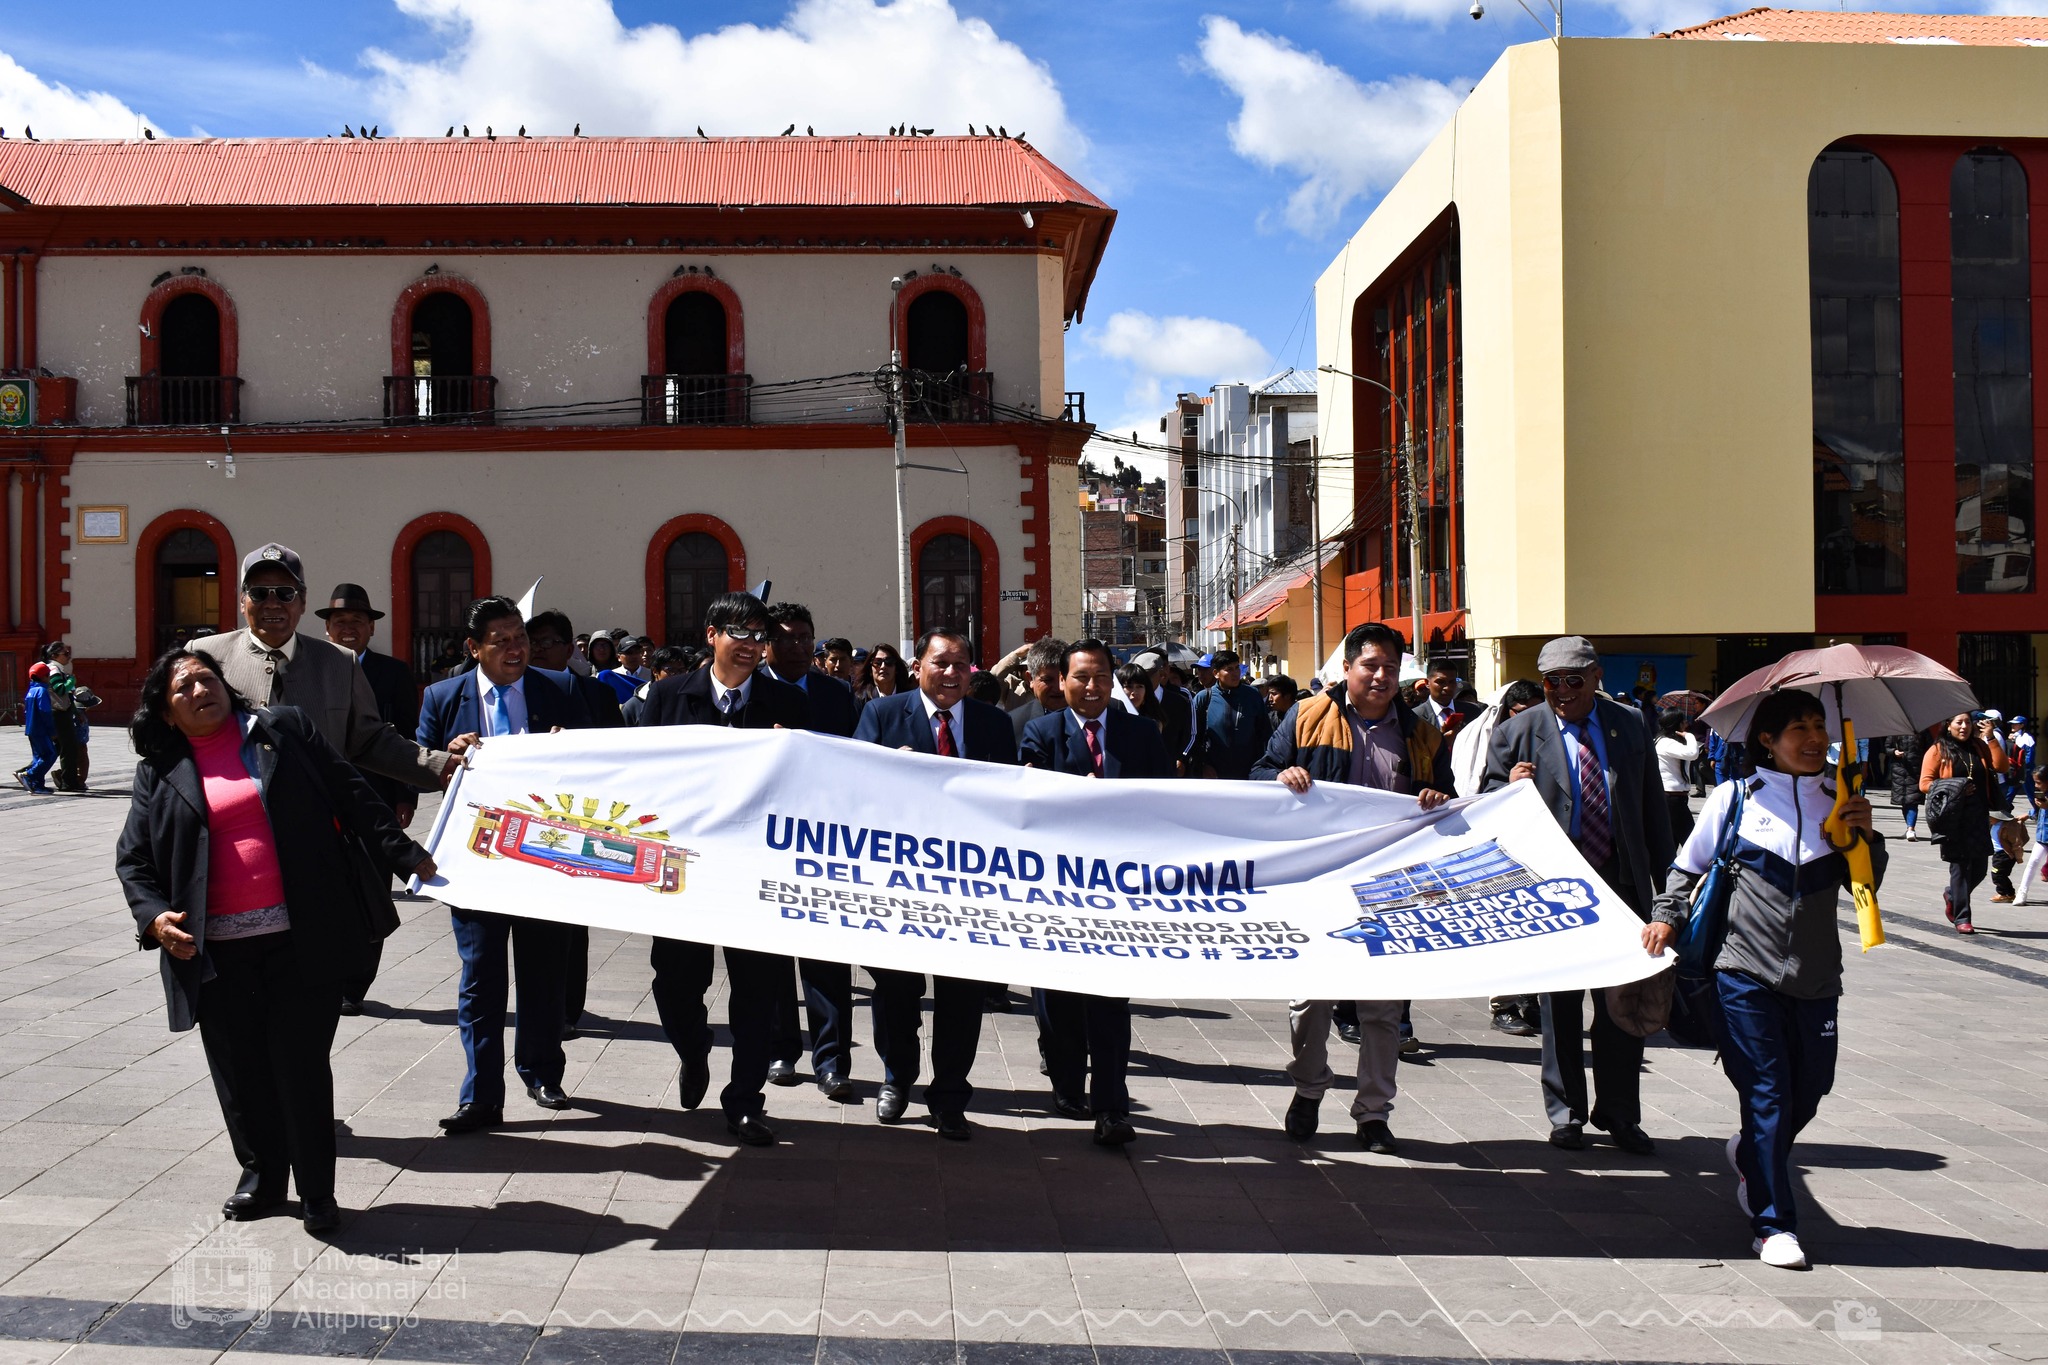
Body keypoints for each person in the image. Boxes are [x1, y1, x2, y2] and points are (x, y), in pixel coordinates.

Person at [116, 647, 434, 1234]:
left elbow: (349, 790)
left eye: (205, 678)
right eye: (181, 689)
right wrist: (155, 918)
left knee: (300, 1065)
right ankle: (262, 1177)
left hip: (301, 936)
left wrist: (406, 853)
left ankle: (317, 1191)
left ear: (225, 686)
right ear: (165, 713)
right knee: (240, 1070)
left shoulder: (282, 728)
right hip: (214, 948)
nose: (198, 691)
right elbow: (134, 861)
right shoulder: (157, 772)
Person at [1648, 689, 1881, 1271]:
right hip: (1742, 972)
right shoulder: (1735, 798)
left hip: (1819, 978)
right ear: (1766, 741)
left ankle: (1753, 1150)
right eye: (1796, 728)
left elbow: (1869, 888)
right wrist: (1666, 917)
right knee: (1768, 1092)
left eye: (1817, 726)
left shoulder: (1842, 800)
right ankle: (1774, 1224)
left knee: (1811, 1089)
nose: (1811, 738)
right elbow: (1685, 866)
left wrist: (1865, 838)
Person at [1253, 622, 1451, 1154]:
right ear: (1347, 669)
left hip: (1391, 888)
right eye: (1370, 665)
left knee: (1382, 1011)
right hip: (1318, 885)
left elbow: (1450, 801)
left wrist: (1437, 795)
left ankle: (1373, 1113)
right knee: (1311, 1002)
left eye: (1390, 666)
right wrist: (1281, 777)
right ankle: (1309, 1088)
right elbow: (1256, 774)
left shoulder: (1423, 735)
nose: (1381, 676)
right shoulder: (1307, 716)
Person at [1482, 636, 1674, 1155]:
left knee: (1621, 1006)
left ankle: (1619, 1114)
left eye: (1573, 680)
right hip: (1551, 891)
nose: (1562, 692)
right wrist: (1506, 789)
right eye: (1552, 682)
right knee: (1558, 1008)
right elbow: (1482, 809)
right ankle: (1566, 1113)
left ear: (1595, 677)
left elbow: (1652, 807)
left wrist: (1665, 889)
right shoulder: (1518, 732)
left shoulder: (1629, 724)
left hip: (1621, 884)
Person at [639, 591, 810, 1145]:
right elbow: (640, 775)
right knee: (675, 984)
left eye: (761, 637)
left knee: (758, 993)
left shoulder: (787, 706)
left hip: (756, 873)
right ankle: (694, 1051)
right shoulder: (667, 696)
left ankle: (745, 1101)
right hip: (685, 872)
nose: (752, 646)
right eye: (740, 633)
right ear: (711, 634)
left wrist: (794, 760)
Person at [418, 597, 590, 1133]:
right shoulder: (443, 696)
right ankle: (480, 1094)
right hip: (476, 863)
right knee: (481, 980)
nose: (517, 650)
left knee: (544, 973)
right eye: (503, 641)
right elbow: (419, 766)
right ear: (474, 648)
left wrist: (573, 750)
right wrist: (447, 757)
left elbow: (597, 765)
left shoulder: (559, 690)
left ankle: (542, 1070)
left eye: (521, 638)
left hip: (545, 858)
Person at [854, 627, 1018, 1139]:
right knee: (897, 991)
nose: (951, 673)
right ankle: (896, 1079)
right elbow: (853, 789)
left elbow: (1011, 797)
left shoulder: (994, 723)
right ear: (916, 667)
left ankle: (949, 1095)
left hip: (970, 884)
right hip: (900, 882)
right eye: (941, 663)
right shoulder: (882, 716)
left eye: (961, 664)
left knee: (961, 996)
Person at [1019, 639, 1175, 1146]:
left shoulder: (1142, 734)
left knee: (1109, 1004)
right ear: (1060, 681)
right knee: (1058, 1001)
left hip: (1120, 893)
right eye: (1081, 678)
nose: (1092, 687)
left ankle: (1112, 1107)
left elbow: (1164, 805)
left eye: (1101, 677)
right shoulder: (1039, 733)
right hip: (1057, 890)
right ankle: (1067, 1086)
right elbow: (1031, 806)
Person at [191, 543, 462, 796]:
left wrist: (443, 766)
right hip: (230, 824)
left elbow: (370, 741)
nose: (272, 603)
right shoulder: (203, 656)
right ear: (242, 601)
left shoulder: (340, 662)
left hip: (316, 821)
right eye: (259, 593)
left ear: (303, 601)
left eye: (285, 593)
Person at [759, 601, 859, 1099]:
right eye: (788, 638)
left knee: (827, 960)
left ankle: (832, 1060)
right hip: (769, 840)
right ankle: (782, 1051)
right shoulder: (752, 693)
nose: (799, 646)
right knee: (774, 961)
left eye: (807, 637)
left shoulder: (837, 693)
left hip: (824, 842)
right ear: (767, 643)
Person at [315, 583, 421, 1015]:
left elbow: (405, 736)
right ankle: (326, 972)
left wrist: (406, 794)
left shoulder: (393, 673)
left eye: (356, 622)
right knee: (327, 888)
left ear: (370, 629)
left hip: (377, 796)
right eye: (340, 622)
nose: (348, 629)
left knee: (375, 888)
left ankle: (356, 984)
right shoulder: (311, 668)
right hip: (322, 798)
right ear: (327, 628)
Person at [1447, 677, 1548, 1036]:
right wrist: (1511, 784)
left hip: (1545, 842)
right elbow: (1473, 790)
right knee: (1511, 922)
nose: (1531, 720)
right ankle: (1502, 1003)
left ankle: (1529, 998)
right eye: (1523, 713)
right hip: (1500, 845)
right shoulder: (1488, 736)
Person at [1919, 711, 2007, 935]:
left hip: (1978, 815)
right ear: (1948, 725)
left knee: (1978, 868)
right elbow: (1925, 783)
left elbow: (2001, 766)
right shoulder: (1938, 750)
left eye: (1968, 722)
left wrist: (1991, 738)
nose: (1964, 726)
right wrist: (1955, 786)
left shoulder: (1979, 746)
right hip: (1952, 816)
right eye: (1959, 722)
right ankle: (1962, 917)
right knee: (1959, 867)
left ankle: (1952, 895)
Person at [1185, 649, 1272, 780]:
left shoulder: (1252, 696)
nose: (1235, 673)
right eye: (1229, 669)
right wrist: (1203, 765)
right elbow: (1193, 738)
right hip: (1214, 775)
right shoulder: (1204, 698)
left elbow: (1265, 734)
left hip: (1249, 773)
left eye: (1237, 668)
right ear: (1216, 673)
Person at [1003, 637, 1068, 743]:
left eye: (1063, 679)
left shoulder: (1095, 718)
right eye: (1047, 680)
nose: (1058, 688)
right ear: (1030, 679)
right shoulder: (1011, 725)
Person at [43, 642, 88, 791]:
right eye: (66, 654)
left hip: (62, 712)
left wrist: (75, 712)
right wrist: (71, 681)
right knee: (68, 748)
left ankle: (32, 773)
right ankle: (68, 782)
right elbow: (60, 689)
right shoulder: (54, 669)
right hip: (58, 713)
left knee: (63, 747)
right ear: (54, 655)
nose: (69, 656)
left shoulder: (57, 669)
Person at [1656, 709, 1701, 844]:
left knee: (1671, 842)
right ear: (1676, 724)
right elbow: (1693, 753)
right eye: (1683, 721)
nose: (1686, 724)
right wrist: (1689, 736)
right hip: (1672, 798)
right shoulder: (1666, 743)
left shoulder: (1666, 741)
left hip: (1675, 797)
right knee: (1691, 842)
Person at [1417, 657, 1482, 737]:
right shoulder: (1416, 717)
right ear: (1427, 683)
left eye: (1452, 682)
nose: (1447, 688)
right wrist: (1442, 742)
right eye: (1440, 682)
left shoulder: (1473, 712)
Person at [19, 662, 56, 793]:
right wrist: (52, 730)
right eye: (49, 675)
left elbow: (26, 711)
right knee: (50, 754)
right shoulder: (42, 691)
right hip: (41, 729)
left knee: (39, 756)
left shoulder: (31, 691)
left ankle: (38, 785)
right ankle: (29, 775)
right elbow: (45, 712)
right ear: (44, 677)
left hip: (31, 729)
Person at [2016, 767, 2048, 905]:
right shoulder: (2041, 794)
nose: (2036, 785)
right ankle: (2021, 893)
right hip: (2043, 837)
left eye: (2039, 782)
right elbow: (2037, 810)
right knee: (2032, 862)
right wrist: (2027, 815)